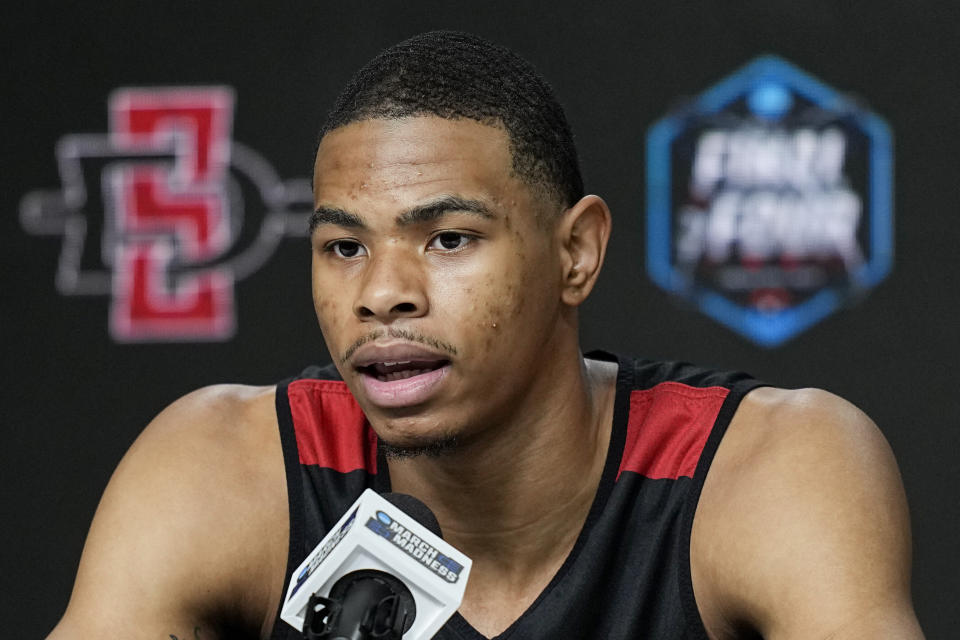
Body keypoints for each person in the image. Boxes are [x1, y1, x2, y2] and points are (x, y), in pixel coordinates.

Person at [47, 31, 923, 640]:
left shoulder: (763, 469)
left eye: (449, 239)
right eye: (344, 246)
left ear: (575, 252)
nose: (382, 294)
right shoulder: (225, 471)